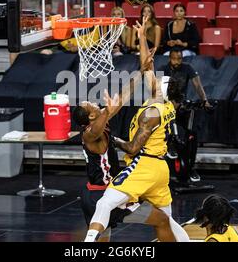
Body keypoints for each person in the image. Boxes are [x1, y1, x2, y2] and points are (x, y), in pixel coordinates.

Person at [84, 16, 190, 242]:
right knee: (166, 220)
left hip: (144, 163)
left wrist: (114, 140)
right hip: (161, 169)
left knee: (105, 203)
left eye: (160, 82)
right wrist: (142, 38)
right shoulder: (165, 103)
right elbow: (147, 66)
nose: (155, 80)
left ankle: (87, 244)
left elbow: (132, 146)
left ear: (163, 90)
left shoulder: (153, 111)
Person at [74, 88, 182, 242]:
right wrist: (106, 113)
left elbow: (120, 100)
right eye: (91, 104)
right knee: (162, 219)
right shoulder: (90, 133)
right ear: (91, 115)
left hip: (92, 193)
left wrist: (139, 73)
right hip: (103, 192)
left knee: (103, 238)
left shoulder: (100, 121)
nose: (95, 103)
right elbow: (97, 130)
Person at [160, 48, 211, 182]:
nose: (177, 62)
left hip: (181, 105)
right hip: (165, 105)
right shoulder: (163, 69)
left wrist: (204, 101)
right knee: (170, 131)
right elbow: (159, 90)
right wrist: (171, 103)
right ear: (169, 58)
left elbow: (197, 85)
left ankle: (190, 167)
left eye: (179, 59)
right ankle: (170, 147)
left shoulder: (187, 68)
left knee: (191, 136)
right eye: (174, 59)